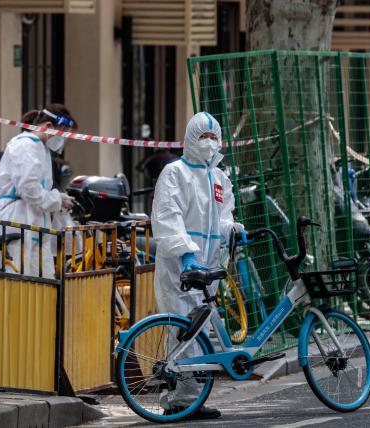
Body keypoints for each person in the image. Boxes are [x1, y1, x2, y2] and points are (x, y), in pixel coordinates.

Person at [151, 112, 250, 419]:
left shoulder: (218, 177)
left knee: (201, 329)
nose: (208, 143)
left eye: (213, 137)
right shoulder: (175, 173)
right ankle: (181, 400)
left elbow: (223, 216)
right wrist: (186, 254)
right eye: (202, 137)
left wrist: (233, 230)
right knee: (182, 327)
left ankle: (189, 400)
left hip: (210, 264)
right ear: (189, 139)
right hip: (181, 265)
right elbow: (169, 216)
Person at [0, 104, 77, 279]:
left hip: (33, 222)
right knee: (18, 284)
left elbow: (37, 188)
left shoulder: (39, 148)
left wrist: (57, 197)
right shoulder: (25, 146)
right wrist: (57, 200)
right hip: (17, 218)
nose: (62, 140)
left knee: (43, 281)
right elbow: (30, 190)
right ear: (49, 127)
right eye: (63, 133)